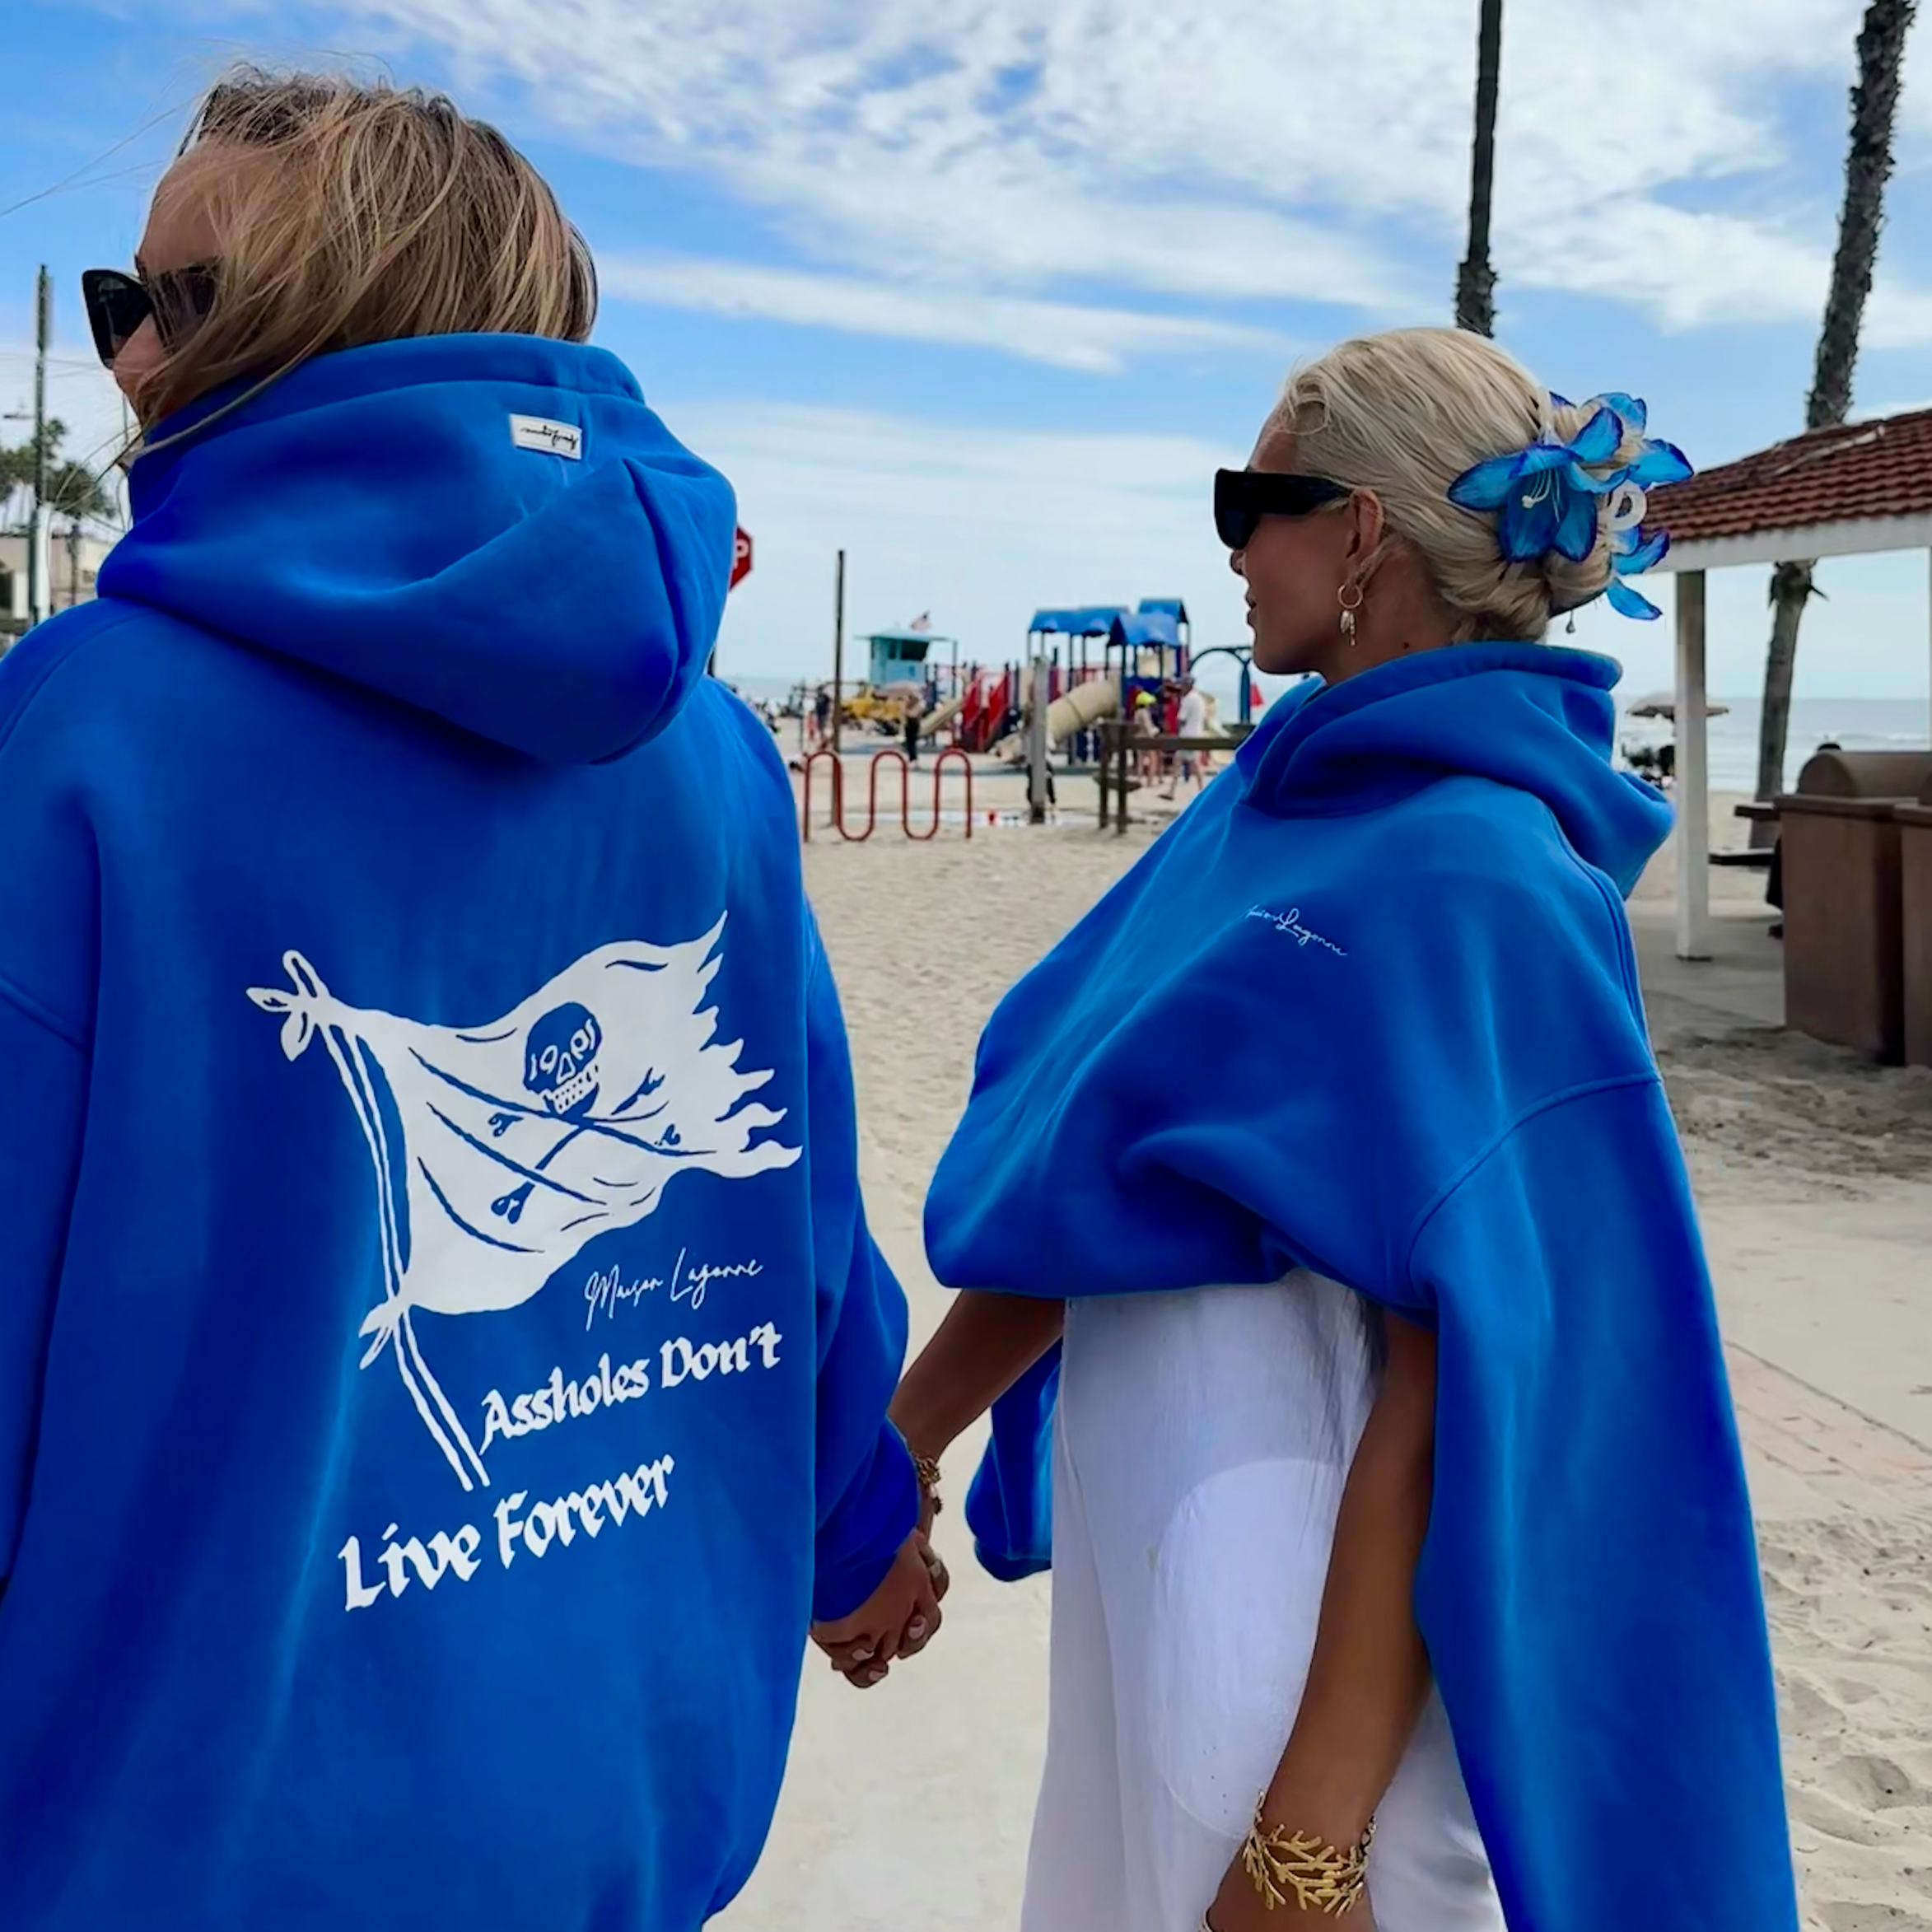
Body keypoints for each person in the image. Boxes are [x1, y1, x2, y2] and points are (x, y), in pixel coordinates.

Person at [0, 70, 937, 1932]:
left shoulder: (84, 731)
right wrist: (851, 1530)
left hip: (194, 1842)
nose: (126, 362)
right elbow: (797, 1218)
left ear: (324, 321)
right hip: (628, 1794)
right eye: (116, 303)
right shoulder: (717, 754)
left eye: (170, 302)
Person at [882, 330, 1798, 1932]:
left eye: (1254, 502)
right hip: (1150, 1537)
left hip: (1286, 1592)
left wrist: (1312, 1834)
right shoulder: (1265, 809)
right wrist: (906, 1442)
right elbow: (1109, 1183)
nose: (1233, 547)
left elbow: (1461, 1379)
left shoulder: (1478, 873)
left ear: (1364, 529)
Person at [1162, 674, 1209, 799]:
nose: (1181, 687)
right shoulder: (1199, 699)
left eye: (1182, 684)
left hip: (1187, 735)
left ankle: (1200, 790)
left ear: (1187, 685)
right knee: (1182, 762)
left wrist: (1175, 729)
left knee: (1191, 764)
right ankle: (1173, 791)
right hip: (1197, 733)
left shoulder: (1188, 699)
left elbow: (1181, 719)